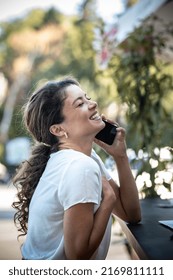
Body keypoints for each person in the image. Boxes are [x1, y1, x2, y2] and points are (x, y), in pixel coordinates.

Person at [12, 76, 141, 260]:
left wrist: (120, 157)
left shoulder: (86, 159)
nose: (93, 104)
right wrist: (108, 202)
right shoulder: (80, 166)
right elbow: (77, 258)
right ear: (57, 130)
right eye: (80, 103)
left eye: (87, 97)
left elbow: (132, 214)